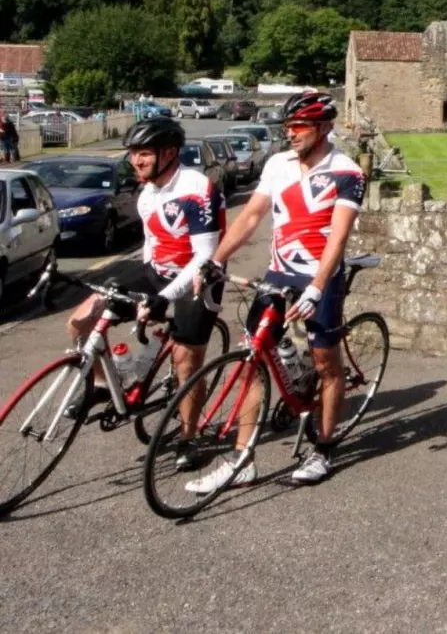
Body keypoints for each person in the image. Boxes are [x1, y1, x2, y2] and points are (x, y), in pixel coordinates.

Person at [189, 91, 365, 493]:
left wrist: (318, 288)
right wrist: (215, 260)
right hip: (279, 273)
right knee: (252, 355)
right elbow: (250, 216)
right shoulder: (277, 164)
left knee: (326, 362)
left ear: (324, 128)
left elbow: (338, 237)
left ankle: (322, 448)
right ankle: (242, 458)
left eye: (299, 126)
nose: (291, 134)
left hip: (321, 277)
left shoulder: (347, 172)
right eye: (288, 126)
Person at [64, 117, 225, 458]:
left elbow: (205, 256)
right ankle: (103, 384)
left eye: (144, 154)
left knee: (186, 362)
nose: (135, 161)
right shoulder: (148, 191)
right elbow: (151, 245)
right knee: (80, 321)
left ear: (169, 153)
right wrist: (130, 286)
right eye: (133, 154)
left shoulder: (196, 189)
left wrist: (161, 299)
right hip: (157, 272)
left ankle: (188, 437)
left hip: (199, 278)